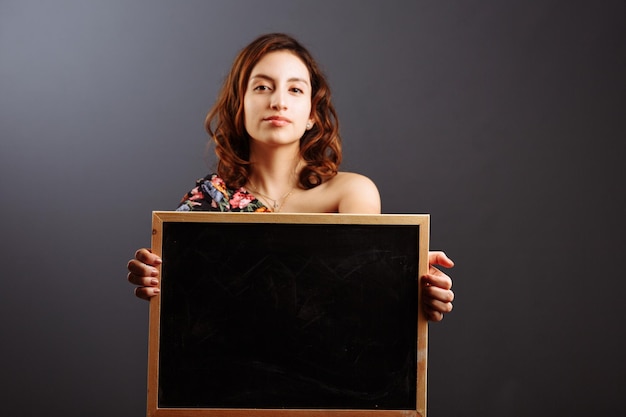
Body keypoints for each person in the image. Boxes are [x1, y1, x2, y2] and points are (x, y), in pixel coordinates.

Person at [126, 33, 454, 322]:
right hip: (229, 382)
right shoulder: (209, 199)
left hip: (329, 381)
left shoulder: (350, 192)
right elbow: (193, 315)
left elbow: (361, 296)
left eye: (295, 89)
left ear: (312, 113)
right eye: (262, 87)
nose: (278, 101)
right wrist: (159, 278)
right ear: (239, 106)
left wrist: (406, 283)